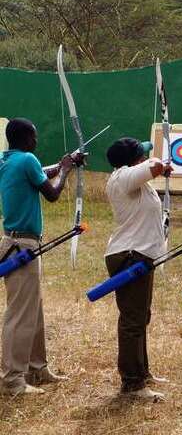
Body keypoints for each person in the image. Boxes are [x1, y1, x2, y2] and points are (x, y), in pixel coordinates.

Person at [0, 118, 81, 396]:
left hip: (16, 242)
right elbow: (52, 194)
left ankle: (37, 367)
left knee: (33, 310)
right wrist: (67, 171)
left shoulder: (8, 160)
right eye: (34, 137)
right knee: (20, 314)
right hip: (22, 246)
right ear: (25, 138)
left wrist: (60, 165)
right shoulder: (28, 159)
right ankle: (13, 379)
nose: (36, 141)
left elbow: (37, 175)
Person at [104, 137, 171, 401]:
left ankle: (141, 372)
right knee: (133, 321)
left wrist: (159, 167)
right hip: (130, 257)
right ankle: (132, 383)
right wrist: (161, 165)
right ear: (131, 160)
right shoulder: (123, 177)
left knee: (141, 317)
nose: (145, 157)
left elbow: (152, 169)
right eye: (140, 154)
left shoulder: (133, 181)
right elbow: (154, 166)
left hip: (137, 255)